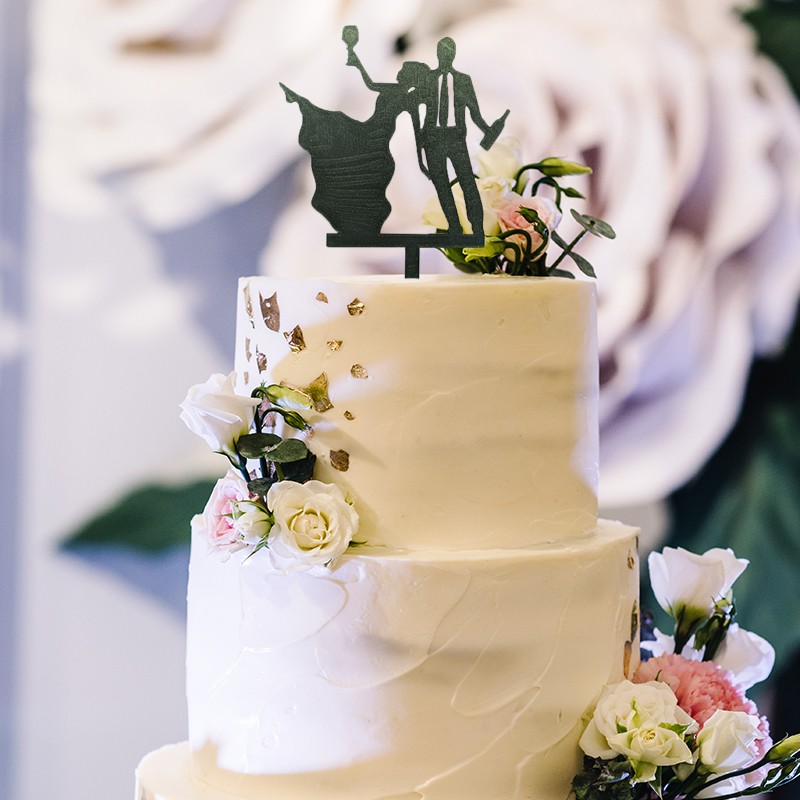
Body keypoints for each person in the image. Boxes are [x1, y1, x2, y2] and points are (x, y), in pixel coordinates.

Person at [418, 37, 503, 236]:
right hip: (434, 139)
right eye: (443, 52)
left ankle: (475, 227)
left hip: (456, 138)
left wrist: (486, 129)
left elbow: (474, 111)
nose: (445, 56)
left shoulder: (463, 81)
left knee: (466, 184)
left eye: (449, 52)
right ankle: (453, 226)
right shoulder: (428, 80)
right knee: (442, 188)